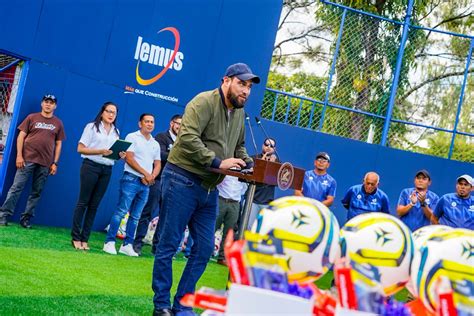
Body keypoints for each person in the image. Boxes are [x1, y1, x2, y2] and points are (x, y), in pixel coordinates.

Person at [152, 62, 258, 316]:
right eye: (241, 83)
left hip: (210, 189)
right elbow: (187, 138)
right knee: (169, 244)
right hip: (181, 179)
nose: (246, 91)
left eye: (249, 87)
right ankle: (162, 306)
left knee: (203, 248)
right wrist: (218, 162)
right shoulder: (203, 102)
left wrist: (249, 163)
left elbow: (239, 147)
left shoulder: (240, 116)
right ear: (226, 81)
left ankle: (182, 304)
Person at [0, 94, 65, 228]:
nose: (48, 104)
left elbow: (59, 144)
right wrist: (19, 156)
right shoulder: (32, 117)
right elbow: (21, 137)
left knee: (36, 192)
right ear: (42, 103)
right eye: (46, 102)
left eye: (51, 103)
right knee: (16, 188)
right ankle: (3, 215)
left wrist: (55, 163)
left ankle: (26, 219)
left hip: (45, 162)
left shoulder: (58, 123)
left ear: (55, 106)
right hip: (26, 159)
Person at [103, 113, 161, 256]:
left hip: (146, 183)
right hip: (131, 179)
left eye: (152, 122)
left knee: (136, 216)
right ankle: (109, 242)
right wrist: (145, 174)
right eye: (146, 121)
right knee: (121, 211)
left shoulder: (155, 143)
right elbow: (129, 158)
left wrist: (151, 176)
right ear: (140, 123)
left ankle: (127, 245)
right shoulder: (132, 137)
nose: (149, 124)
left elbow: (157, 163)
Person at [70, 102, 122, 250]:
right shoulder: (91, 127)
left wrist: (120, 155)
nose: (111, 115)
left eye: (114, 112)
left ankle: (85, 238)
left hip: (107, 170)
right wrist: (100, 151)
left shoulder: (116, 131)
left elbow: (112, 154)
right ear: (102, 112)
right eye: (108, 111)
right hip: (90, 166)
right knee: (83, 202)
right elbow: (80, 148)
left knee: (94, 206)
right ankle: (75, 237)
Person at [133, 114, 182, 256]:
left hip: (173, 183)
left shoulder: (183, 141)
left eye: (182, 125)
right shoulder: (161, 137)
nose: (179, 127)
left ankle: (157, 248)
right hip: (158, 180)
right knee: (147, 212)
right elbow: (160, 156)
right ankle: (137, 243)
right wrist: (177, 154)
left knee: (165, 216)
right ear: (171, 124)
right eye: (177, 123)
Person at [215, 175, 248, 265]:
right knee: (212, 228)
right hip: (220, 199)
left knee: (229, 232)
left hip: (235, 203)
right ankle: (203, 253)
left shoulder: (244, 171)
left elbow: (244, 189)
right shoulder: (228, 164)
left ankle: (222, 257)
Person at [247, 137, 278, 229]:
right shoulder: (253, 158)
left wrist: (272, 165)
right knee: (248, 228)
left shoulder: (277, 162)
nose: (268, 147)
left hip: (267, 202)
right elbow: (251, 176)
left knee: (262, 230)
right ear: (262, 145)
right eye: (266, 144)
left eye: (271, 146)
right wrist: (262, 163)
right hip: (252, 200)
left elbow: (277, 182)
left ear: (274, 149)